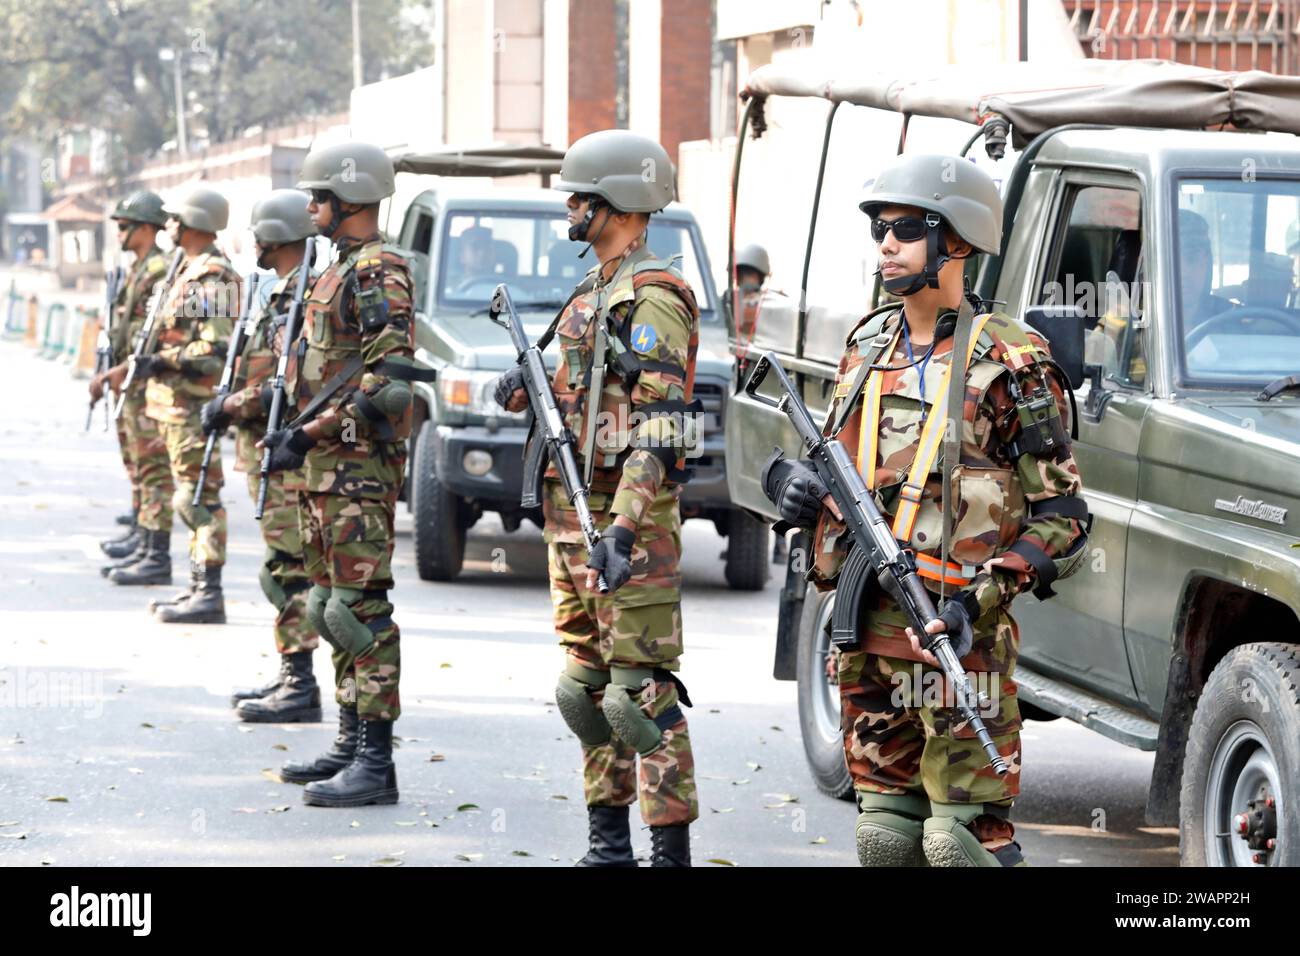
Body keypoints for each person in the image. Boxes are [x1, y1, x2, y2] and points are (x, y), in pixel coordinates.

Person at [761, 154, 1089, 866]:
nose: (885, 244)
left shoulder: (1011, 362)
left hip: (958, 636)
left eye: (906, 229)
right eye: (880, 229)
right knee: (886, 836)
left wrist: (982, 599)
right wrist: (789, 483)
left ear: (959, 243)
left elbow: (1063, 516)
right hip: (869, 631)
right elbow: (834, 468)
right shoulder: (867, 346)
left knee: (959, 841)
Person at [493, 129, 702, 867]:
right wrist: (531, 386)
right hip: (572, 516)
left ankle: (668, 851)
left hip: (628, 528)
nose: (571, 207)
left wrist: (622, 526)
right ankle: (607, 845)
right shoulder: (595, 289)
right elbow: (588, 401)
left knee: (636, 695)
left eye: (580, 196)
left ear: (616, 202)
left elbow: (660, 428)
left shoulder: (656, 298)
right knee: (585, 689)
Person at [264, 141, 431, 807]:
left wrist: (308, 433)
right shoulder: (341, 266)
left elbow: (389, 384)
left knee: (362, 613)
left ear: (353, 199)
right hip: (326, 472)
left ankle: (377, 763)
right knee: (328, 607)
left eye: (320, 195)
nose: (310, 206)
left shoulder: (378, 271)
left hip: (356, 471)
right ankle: (348, 740)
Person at [201, 189, 322, 722]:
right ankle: (291, 672)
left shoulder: (304, 297)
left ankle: (300, 685)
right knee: (282, 567)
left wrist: (231, 404)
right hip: (264, 450)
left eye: (259, 233)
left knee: (288, 569)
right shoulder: (277, 295)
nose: (253, 243)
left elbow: (289, 387)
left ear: (276, 235)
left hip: (286, 453)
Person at [108, 187, 239, 629]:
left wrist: (161, 361)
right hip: (169, 406)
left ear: (196, 223)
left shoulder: (216, 276)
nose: (170, 226)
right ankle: (198, 585)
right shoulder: (188, 269)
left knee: (198, 500)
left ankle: (209, 592)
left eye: (177, 219)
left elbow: (215, 349)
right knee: (184, 496)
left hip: (191, 406)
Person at [95, 191, 175, 576]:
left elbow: (154, 334)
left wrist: (122, 369)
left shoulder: (158, 270)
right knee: (138, 464)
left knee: (153, 468)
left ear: (147, 228)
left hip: (145, 381)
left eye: (125, 226)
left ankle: (155, 553)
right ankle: (144, 540)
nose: (119, 234)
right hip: (130, 380)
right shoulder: (139, 268)